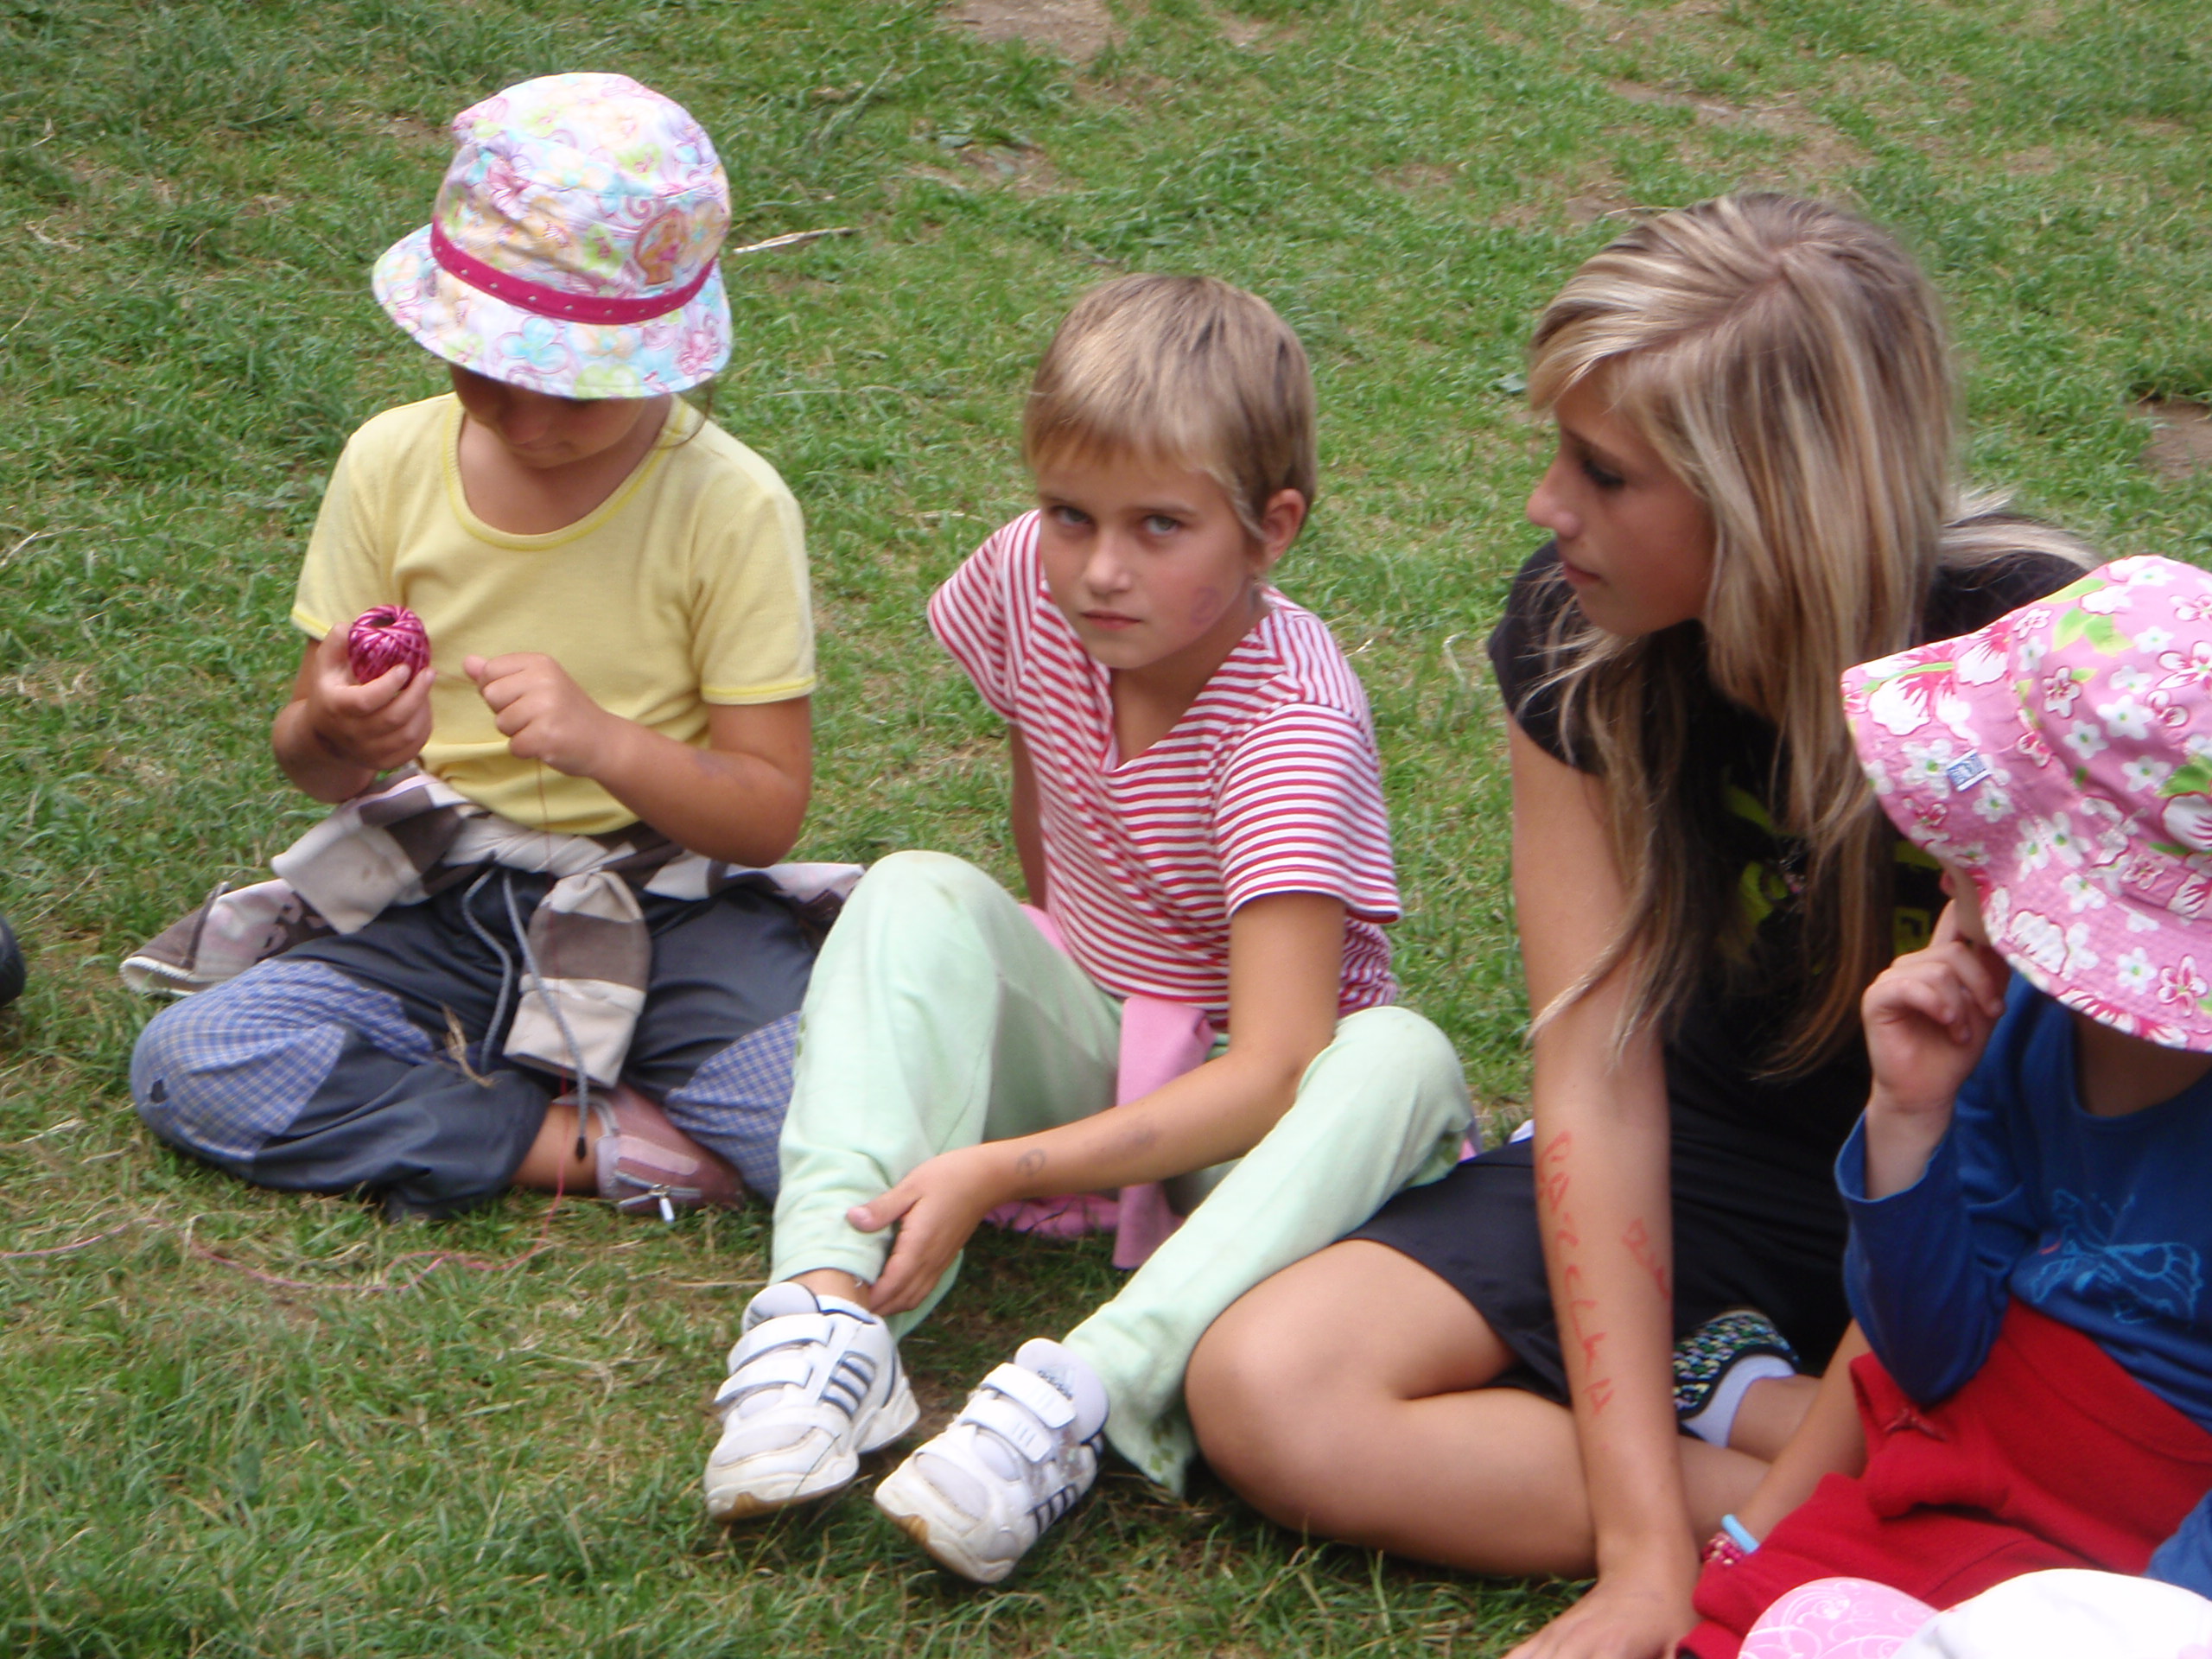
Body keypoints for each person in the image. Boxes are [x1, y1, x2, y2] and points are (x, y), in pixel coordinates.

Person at [1181, 192, 2094, 1658]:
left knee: (2121, 1423)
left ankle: (1817, 1445)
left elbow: (2030, 1156)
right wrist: (1645, 1556)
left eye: (1605, 473)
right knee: (1272, 1391)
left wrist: (1749, 1554)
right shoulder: (1576, 632)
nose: (1548, 506)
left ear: (1768, 500)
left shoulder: (2030, 669)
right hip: (1715, 1151)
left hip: (1976, 1195)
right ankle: (1884, 1491)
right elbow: (1596, 1078)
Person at [700, 273, 1472, 1584]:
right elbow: (1045, 818)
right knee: (912, 886)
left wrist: (1008, 1168)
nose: (1100, 569)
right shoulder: (1032, 581)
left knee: (1400, 1059)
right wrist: (1025, 1014)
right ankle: (829, 1314)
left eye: (1161, 525)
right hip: (1101, 1022)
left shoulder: (1291, 722)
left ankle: (1076, 1400)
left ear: (1272, 530)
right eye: (1071, 513)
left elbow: (1276, 1067)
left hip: (1258, 1132)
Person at [126, 73, 823, 1220]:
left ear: (666, 360)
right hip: (444, 894)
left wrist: (606, 744)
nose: (531, 422)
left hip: (668, 909)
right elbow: (313, 762)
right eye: (490, 376)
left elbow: (765, 812)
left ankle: (538, 1066)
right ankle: (590, 1144)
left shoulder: (730, 507)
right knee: (194, 1060)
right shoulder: (392, 462)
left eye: (579, 393)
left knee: (836, 1133)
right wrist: (337, 729)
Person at [1684, 555, 2212, 1656]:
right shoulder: (2021, 1032)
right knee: (1763, 1620)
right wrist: (1909, 1119)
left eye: (1990, 837)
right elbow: (1928, 1353)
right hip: (1958, 1479)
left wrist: (2146, 1625)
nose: (1947, 864)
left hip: (2139, 1562)